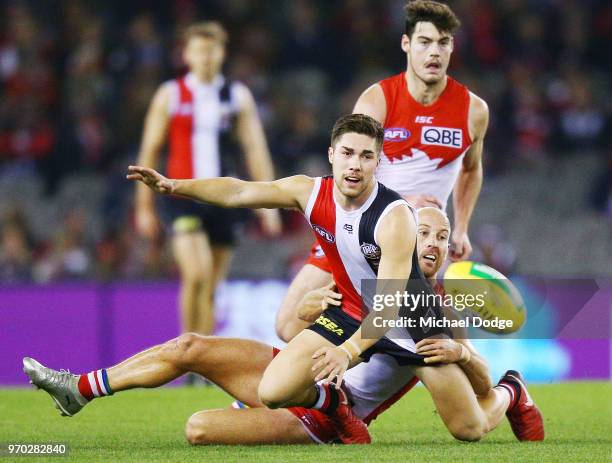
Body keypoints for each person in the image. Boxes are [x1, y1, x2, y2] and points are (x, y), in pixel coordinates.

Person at [22, 208, 542, 444]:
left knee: (198, 428)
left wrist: (466, 356)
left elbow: (469, 403)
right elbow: (293, 332)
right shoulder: (361, 276)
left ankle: (513, 391)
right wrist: (311, 308)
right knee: (189, 344)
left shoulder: (431, 311)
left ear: (447, 251)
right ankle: (79, 388)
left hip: (316, 421)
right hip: (295, 377)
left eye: (440, 235)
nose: (430, 241)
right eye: (422, 229)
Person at [276, 0, 489, 342]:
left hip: (415, 243)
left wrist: (461, 228)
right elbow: (350, 169)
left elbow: (471, 169)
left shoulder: (473, 110)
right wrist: (402, 201)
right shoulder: (379, 100)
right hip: (358, 228)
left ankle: (490, 391)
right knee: (289, 325)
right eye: (424, 42)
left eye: (443, 42)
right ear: (406, 44)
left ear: (452, 47)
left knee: (435, 339)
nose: (434, 52)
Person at [134, 21, 281, 340]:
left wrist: (268, 203)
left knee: (213, 285)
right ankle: (187, 351)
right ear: (186, 54)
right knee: (197, 275)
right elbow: (149, 149)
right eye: (199, 50)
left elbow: (255, 149)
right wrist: (144, 207)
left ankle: (203, 360)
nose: (205, 57)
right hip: (180, 195)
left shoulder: (236, 95)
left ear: (222, 54)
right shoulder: (170, 95)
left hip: (223, 199)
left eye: (211, 50)